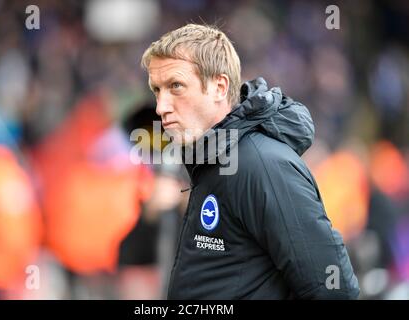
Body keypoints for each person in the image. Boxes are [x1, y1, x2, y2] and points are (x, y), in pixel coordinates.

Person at [141, 23, 360, 299]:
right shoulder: (210, 161)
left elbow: (334, 291)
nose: (161, 106)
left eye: (176, 86)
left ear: (219, 87)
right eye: (157, 90)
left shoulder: (263, 166)